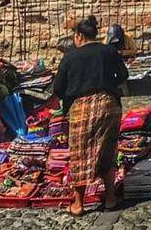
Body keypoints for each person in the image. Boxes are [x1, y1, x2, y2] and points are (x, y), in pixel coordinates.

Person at [53, 16, 128, 217]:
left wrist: (72, 95)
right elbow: (123, 76)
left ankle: (78, 204)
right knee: (107, 149)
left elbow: (58, 88)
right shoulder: (109, 51)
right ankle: (110, 198)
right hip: (108, 104)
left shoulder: (71, 56)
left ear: (78, 36)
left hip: (81, 107)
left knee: (80, 153)